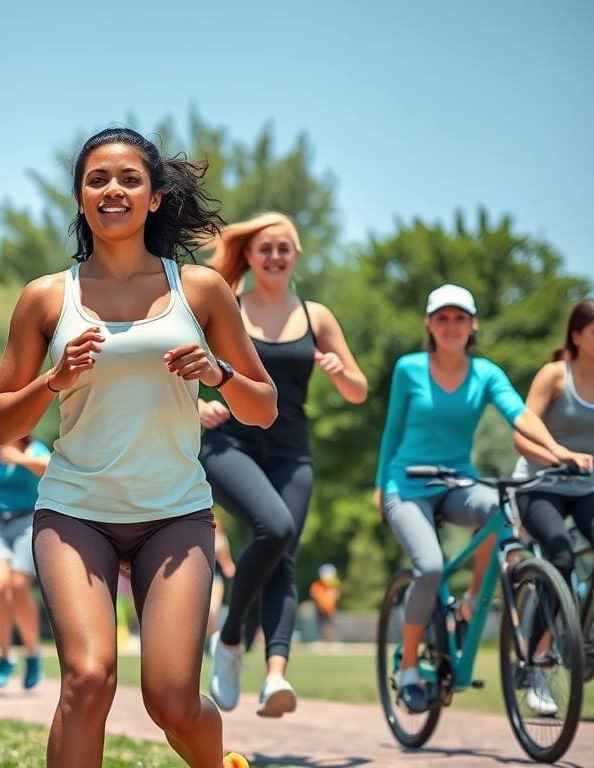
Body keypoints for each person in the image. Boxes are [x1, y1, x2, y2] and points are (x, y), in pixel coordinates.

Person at [0, 127, 275, 768]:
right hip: (75, 508)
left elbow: (263, 406)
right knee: (88, 681)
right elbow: (1, 425)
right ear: (81, 199)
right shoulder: (46, 297)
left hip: (172, 512)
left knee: (172, 699)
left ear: (153, 197)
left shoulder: (199, 291)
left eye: (129, 179)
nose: (112, 189)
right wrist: (52, 381)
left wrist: (218, 374)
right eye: (97, 180)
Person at [375, 284, 593, 714]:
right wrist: (382, 485)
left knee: (501, 509)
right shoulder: (409, 368)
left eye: (460, 318)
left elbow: (520, 414)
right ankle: (409, 669)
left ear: (472, 325)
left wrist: (558, 452)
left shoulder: (486, 373)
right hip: (408, 484)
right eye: (442, 318)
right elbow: (393, 430)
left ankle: (472, 606)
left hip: (458, 481)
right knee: (432, 566)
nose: (451, 326)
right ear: (429, 325)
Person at [199, 212, 367, 718]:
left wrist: (339, 373)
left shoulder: (317, 317)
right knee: (275, 528)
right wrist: (194, 403)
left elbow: (358, 391)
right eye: (265, 247)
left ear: (296, 256)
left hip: (292, 451)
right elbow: (171, 362)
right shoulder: (226, 306)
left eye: (284, 248)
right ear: (248, 255)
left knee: (284, 555)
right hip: (230, 445)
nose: (275, 256)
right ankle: (229, 642)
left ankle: (275, 678)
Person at [513, 299, 594, 670]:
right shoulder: (555, 375)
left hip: (586, 488)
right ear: (576, 335)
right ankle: (537, 660)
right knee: (561, 556)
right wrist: (558, 456)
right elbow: (519, 435)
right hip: (538, 486)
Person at [0, 414, 50, 689]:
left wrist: (18, 459)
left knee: (18, 586)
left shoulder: (32, 448)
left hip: (27, 521)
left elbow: (48, 467)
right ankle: (5, 655)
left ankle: (32, 652)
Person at [207, 510, 236, 643]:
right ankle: (211, 640)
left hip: (216, 578)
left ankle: (214, 640)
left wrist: (230, 568)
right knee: (205, 613)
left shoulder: (221, 539)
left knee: (213, 611)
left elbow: (226, 560)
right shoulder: (201, 537)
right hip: (203, 577)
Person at [309, 563, 341, 642]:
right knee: (321, 626)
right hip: (320, 610)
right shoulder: (317, 585)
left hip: (330, 610)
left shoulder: (334, 585)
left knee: (330, 626)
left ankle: (332, 640)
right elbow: (315, 595)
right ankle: (321, 640)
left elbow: (336, 596)